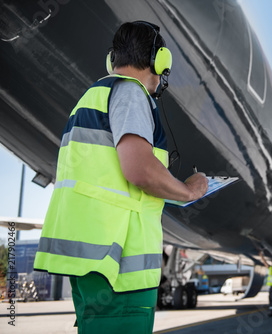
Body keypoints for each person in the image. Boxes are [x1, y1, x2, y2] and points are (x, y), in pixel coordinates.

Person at [33, 21, 208, 334]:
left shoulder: (93, 98)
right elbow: (138, 169)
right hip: (117, 266)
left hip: (97, 263)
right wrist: (188, 190)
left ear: (111, 58)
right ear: (160, 61)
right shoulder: (130, 93)